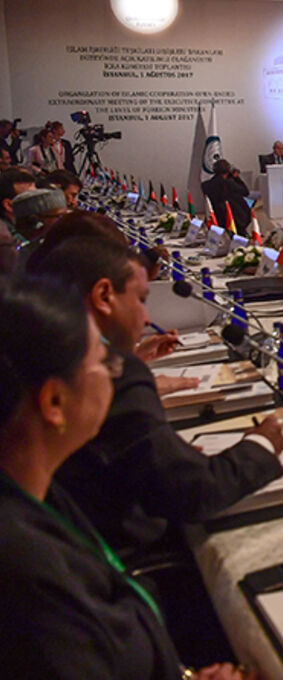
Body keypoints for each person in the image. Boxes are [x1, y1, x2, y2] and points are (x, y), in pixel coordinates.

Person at [28, 237, 283, 558]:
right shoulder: (102, 372)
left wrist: (166, 453)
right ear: (104, 296)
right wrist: (261, 444)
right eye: (140, 299)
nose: (147, 318)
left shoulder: (37, 355)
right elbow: (193, 491)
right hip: (134, 560)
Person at [0, 278, 184, 679]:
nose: (115, 374)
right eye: (103, 364)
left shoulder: (37, 491)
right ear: (53, 402)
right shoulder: (28, 576)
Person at [200, 159, 252, 236]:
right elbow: (245, 192)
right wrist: (236, 178)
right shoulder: (230, 183)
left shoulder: (206, 185)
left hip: (216, 218)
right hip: (234, 219)